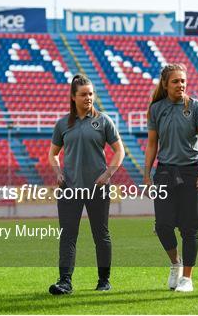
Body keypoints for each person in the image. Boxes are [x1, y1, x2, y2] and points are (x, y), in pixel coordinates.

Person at [48, 74, 125, 295]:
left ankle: (104, 280)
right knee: (68, 235)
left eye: (91, 94)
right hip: (69, 189)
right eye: (83, 94)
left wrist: (108, 173)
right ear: (73, 97)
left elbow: (119, 151)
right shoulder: (63, 124)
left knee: (101, 235)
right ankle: (65, 281)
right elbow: (53, 155)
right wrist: (58, 172)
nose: (88, 98)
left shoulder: (103, 121)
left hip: (98, 189)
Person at [144, 63, 198, 293]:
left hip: (192, 171)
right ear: (165, 84)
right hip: (164, 172)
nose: (181, 85)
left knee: (189, 228)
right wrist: (146, 173)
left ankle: (187, 279)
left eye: (183, 80)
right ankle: (175, 264)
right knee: (162, 225)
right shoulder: (156, 109)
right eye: (175, 81)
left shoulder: (196, 107)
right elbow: (152, 143)